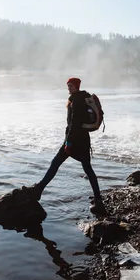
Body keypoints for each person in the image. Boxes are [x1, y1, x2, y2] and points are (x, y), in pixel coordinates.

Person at [30, 77, 106, 215]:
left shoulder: (76, 100)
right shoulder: (82, 97)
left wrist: (69, 142)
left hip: (75, 140)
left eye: (71, 85)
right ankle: (98, 199)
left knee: (56, 162)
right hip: (83, 139)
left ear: (76, 86)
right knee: (87, 169)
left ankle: (39, 190)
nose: (69, 88)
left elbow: (74, 123)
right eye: (68, 86)